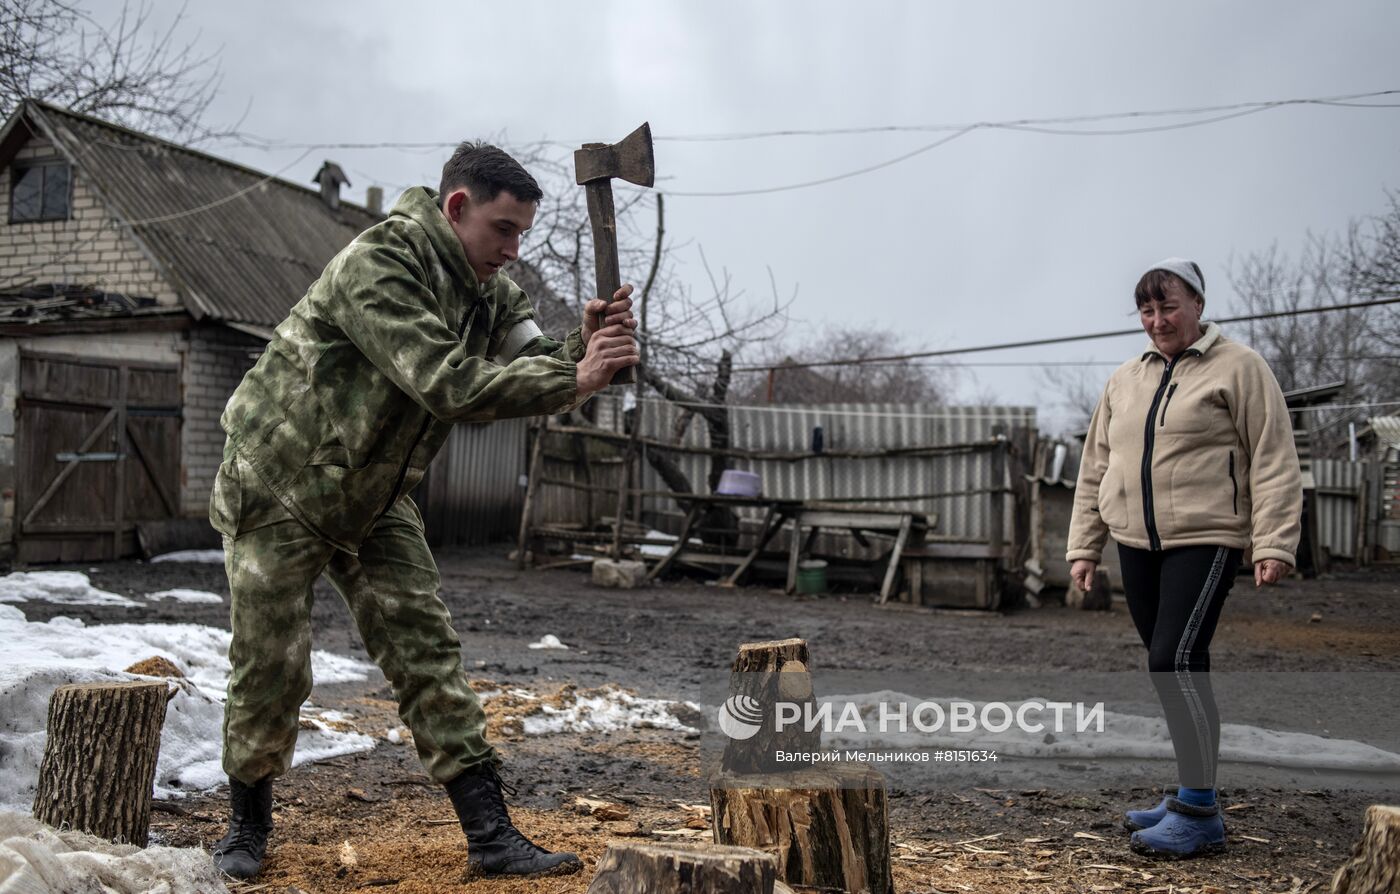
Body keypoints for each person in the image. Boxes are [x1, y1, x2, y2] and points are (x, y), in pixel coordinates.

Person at [207, 142, 639, 880]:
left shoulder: (490, 292)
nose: (512, 249)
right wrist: (576, 378)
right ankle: (246, 825)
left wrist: (583, 341)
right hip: (282, 483)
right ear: (457, 208)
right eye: (503, 229)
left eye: (523, 235)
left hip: (374, 493)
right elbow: (449, 383)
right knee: (271, 664)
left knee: (426, 650)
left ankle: (491, 835)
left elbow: (522, 358)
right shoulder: (379, 267)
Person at [1066, 258, 1301, 859]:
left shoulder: (1240, 368)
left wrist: (1273, 541)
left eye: (1167, 306)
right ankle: (1188, 793)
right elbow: (1097, 466)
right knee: (1168, 665)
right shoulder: (1125, 379)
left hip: (1206, 538)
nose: (1156, 320)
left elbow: (1273, 455)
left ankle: (1199, 812)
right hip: (1136, 543)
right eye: (1146, 310)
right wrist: (1084, 546)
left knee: (1176, 660)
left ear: (1197, 304)